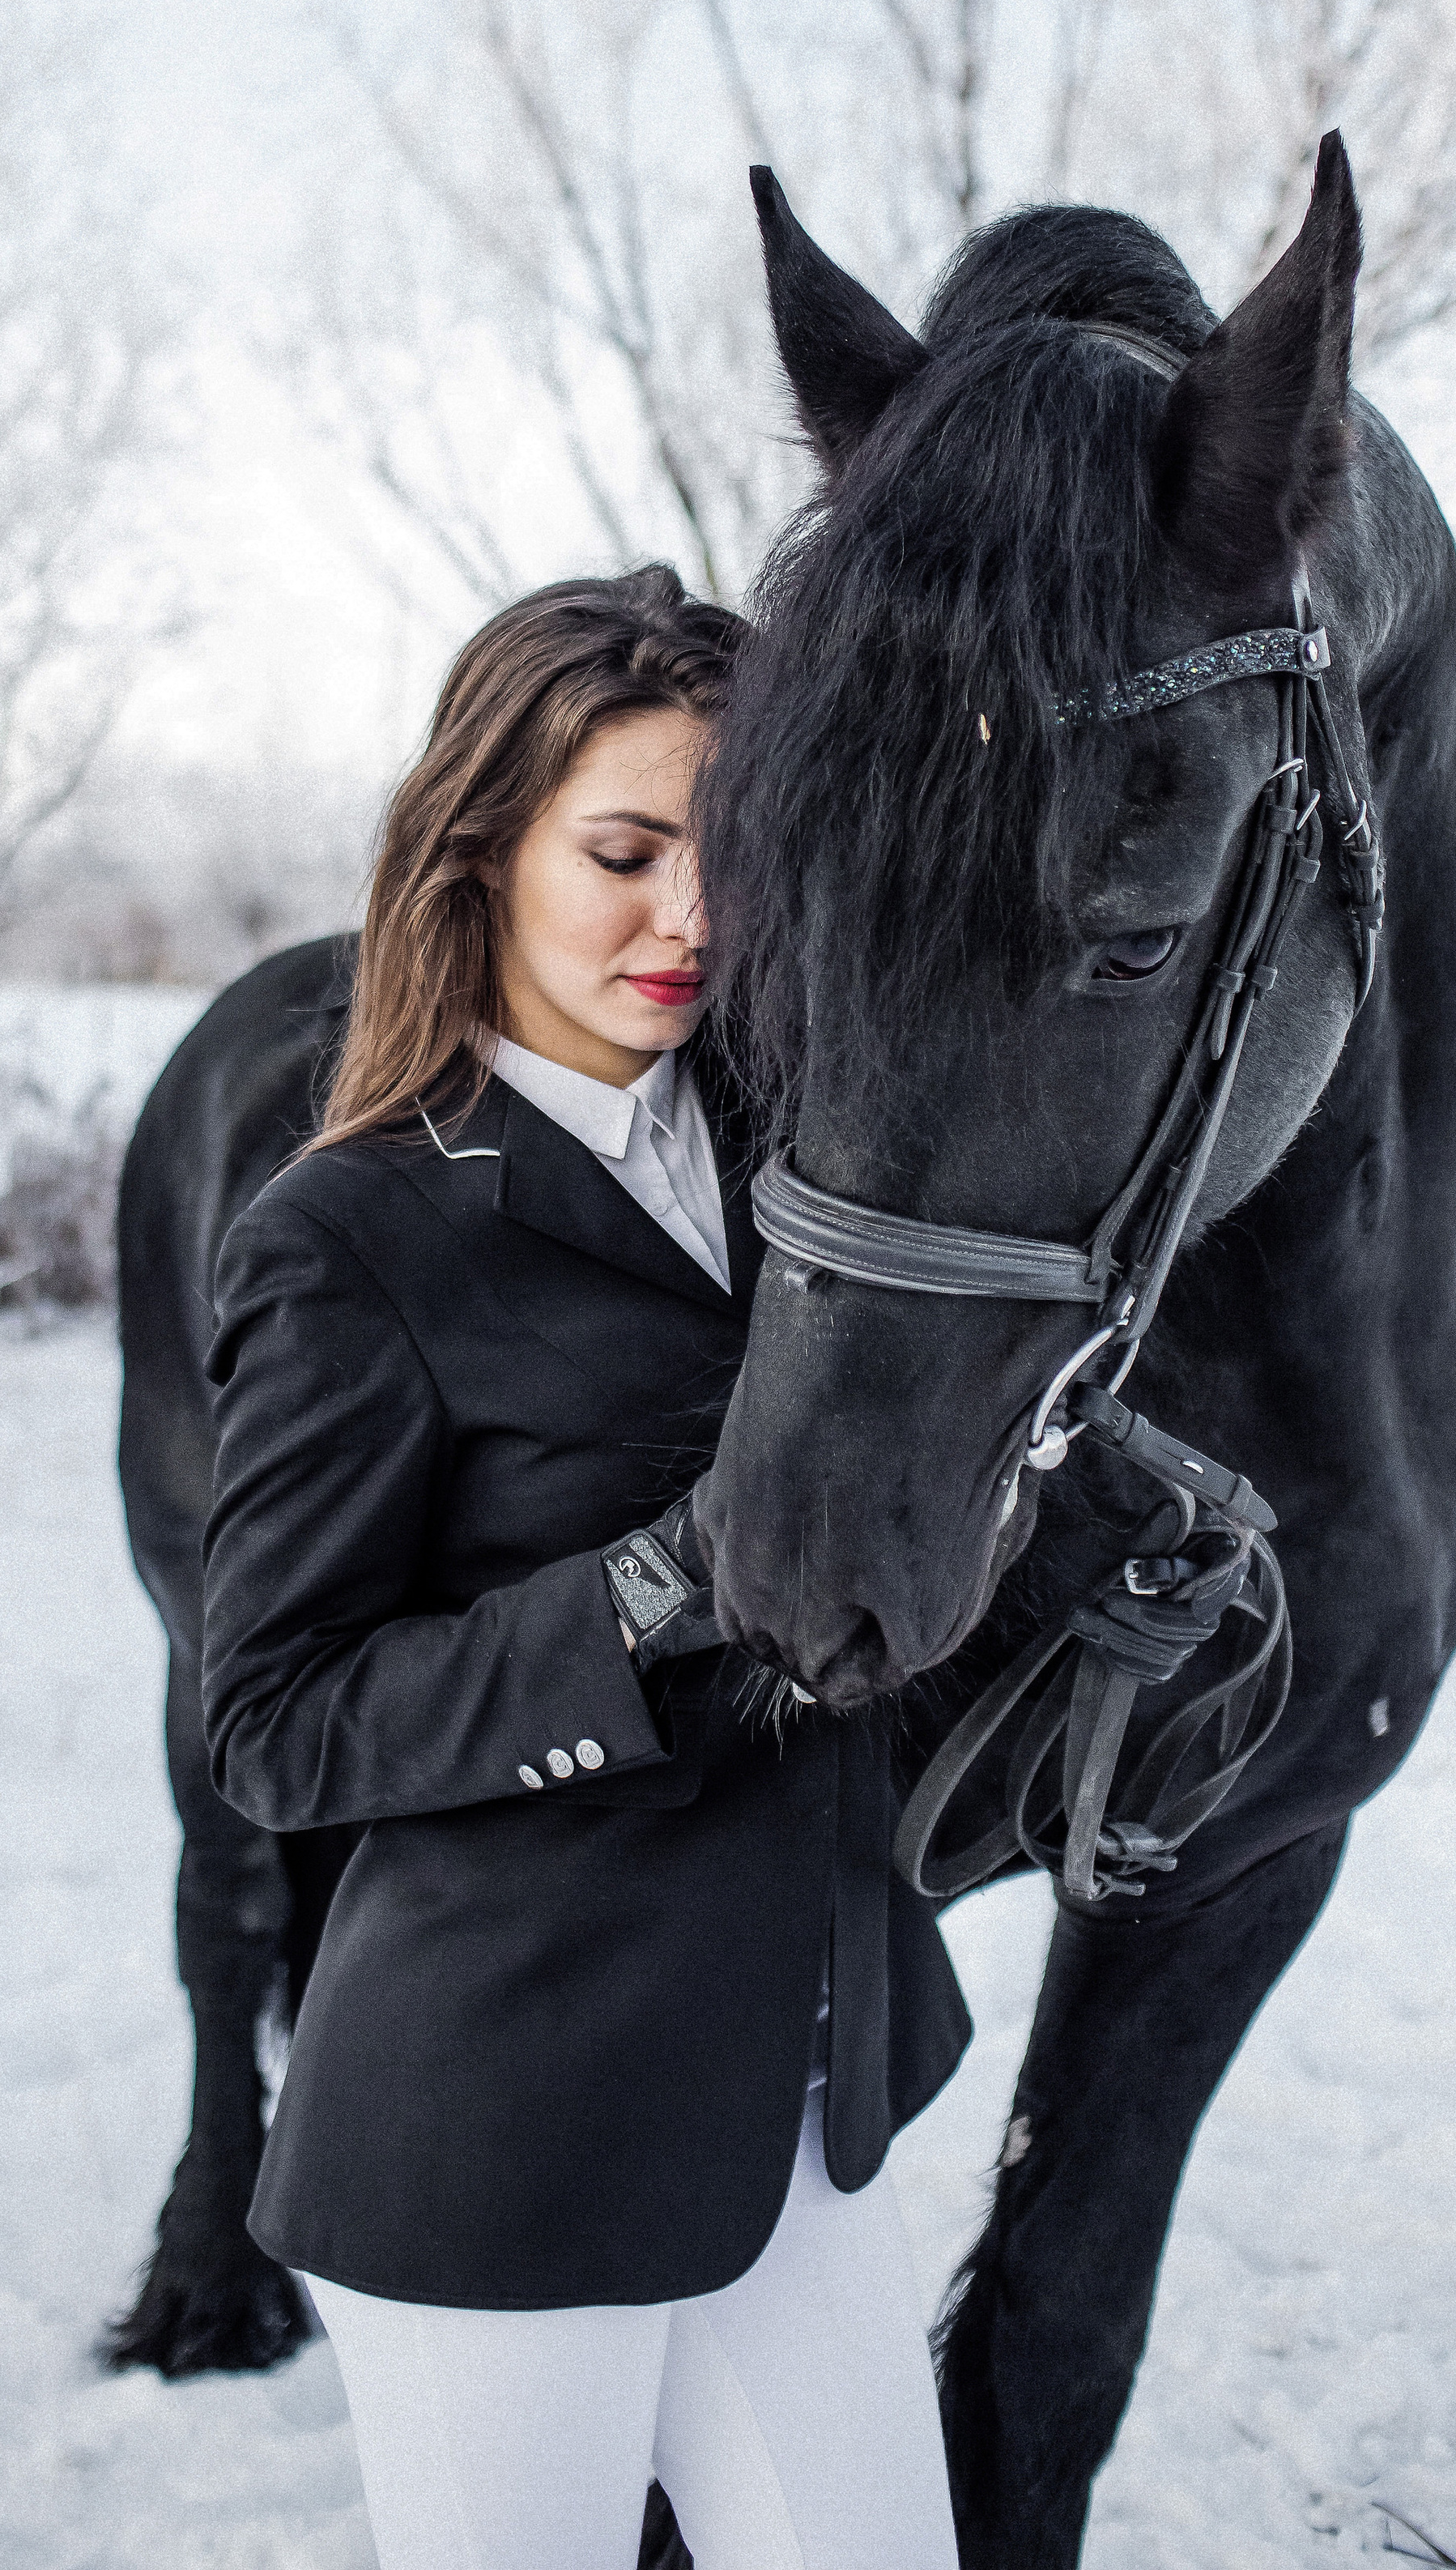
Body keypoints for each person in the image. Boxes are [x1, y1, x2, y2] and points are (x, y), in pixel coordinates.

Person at [200, 566, 969, 2570]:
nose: (691, 918)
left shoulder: (812, 1152)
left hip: (805, 2093)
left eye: (731, 853)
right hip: (504, 2133)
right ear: (477, 852)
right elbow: (274, 1727)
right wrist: (650, 1591)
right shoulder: (349, 1240)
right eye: (622, 853)